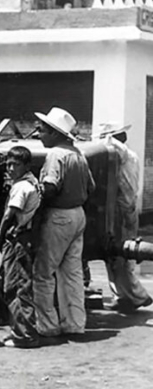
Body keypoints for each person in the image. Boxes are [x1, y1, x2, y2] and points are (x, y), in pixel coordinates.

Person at [33, 107, 96, 339]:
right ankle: (74, 324)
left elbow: (50, 187)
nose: (38, 135)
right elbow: (91, 187)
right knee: (72, 272)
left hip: (59, 216)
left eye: (41, 131)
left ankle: (47, 326)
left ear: (54, 133)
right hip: (78, 215)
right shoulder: (78, 155)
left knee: (43, 272)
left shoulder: (55, 155)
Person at [94, 123, 152, 312]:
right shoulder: (126, 155)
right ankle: (122, 296)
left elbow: (108, 144)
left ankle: (136, 296)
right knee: (116, 256)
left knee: (121, 254)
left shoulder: (122, 153)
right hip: (123, 206)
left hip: (121, 208)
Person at [0, 146, 42, 348]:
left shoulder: (21, 187)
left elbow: (8, 216)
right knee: (19, 286)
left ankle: (26, 336)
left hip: (19, 239)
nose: (11, 168)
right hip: (28, 236)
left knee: (16, 287)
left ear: (26, 165)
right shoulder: (33, 182)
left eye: (16, 164)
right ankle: (18, 331)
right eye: (9, 164)